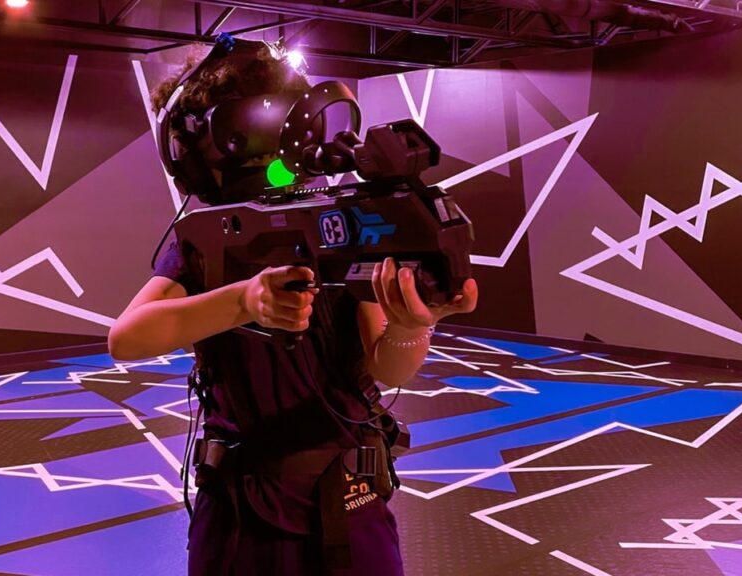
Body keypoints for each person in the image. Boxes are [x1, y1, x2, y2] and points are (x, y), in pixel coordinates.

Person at [108, 42, 479, 576]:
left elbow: (386, 366)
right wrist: (243, 300)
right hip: (242, 504)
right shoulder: (208, 238)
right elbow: (128, 337)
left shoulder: (340, 220)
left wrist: (412, 324)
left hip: (351, 494)